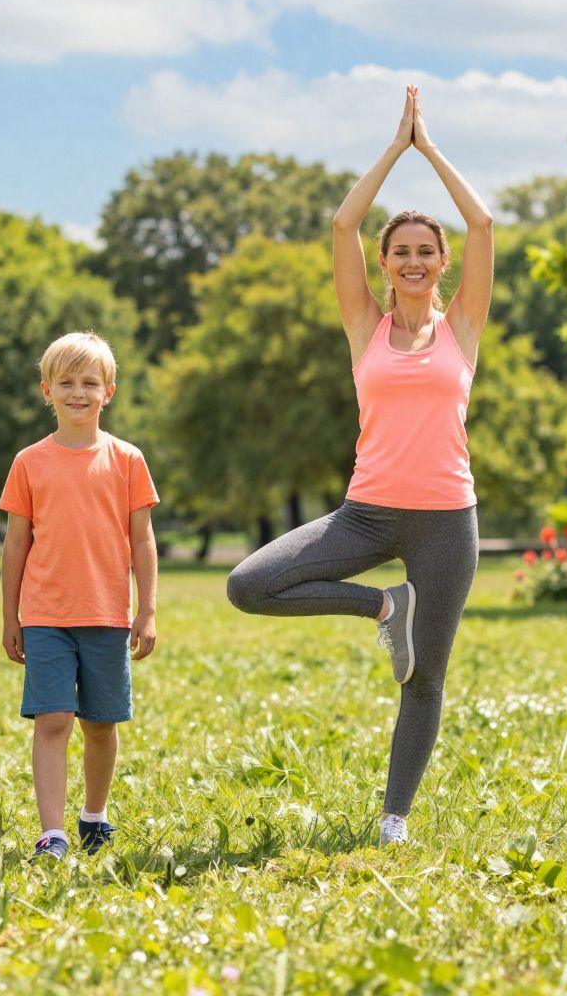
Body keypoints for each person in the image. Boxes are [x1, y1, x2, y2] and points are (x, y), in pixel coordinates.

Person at [226, 86, 493, 848]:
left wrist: (430, 148)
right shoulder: (363, 328)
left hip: (447, 520)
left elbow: (482, 221)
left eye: (424, 251)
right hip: (367, 512)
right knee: (249, 585)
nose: (413, 261)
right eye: (400, 251)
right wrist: (393, 147)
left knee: (426, 678)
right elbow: (342, 222)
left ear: (442, 263)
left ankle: (394, 818)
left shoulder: (462, 327)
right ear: (384, 263)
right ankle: (383, 608)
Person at [0, 332, 159, 860]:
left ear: (108, 390)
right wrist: (10, 617)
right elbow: (16, 544)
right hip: (46, 613)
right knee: (53, 719)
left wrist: (148, 610)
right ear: (46, 390)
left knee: (99, 723)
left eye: (89, 382)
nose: (77, 392)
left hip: (108, 613)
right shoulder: (28, 462)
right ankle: (53, 832)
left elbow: (142, 540)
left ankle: (94, 816)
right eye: (65, 382)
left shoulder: (128, 460)